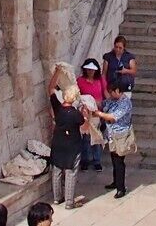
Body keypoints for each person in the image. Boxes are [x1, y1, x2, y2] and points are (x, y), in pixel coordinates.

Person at [45, 64, 87, 208]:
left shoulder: (57, 108)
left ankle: (57, 198)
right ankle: (69, 202)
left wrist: (57, 72)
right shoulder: (76, 114)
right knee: (70, 171)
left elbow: (50, 88)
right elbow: (85, 127)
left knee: (56, 169)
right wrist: (86, 114)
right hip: (72, 145)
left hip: (58, 142)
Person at [98, 76, 135, 199]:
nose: (110, 93)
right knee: (114, 159)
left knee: (119, 161)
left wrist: (99, 114)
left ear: (118, 90)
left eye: (112, 91)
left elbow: (113, 117)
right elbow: (103, 104)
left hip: (121, 135)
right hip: (112, 135)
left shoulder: (125, 103)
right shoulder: (112, 100)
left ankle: (121, 188)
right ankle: (116, 182)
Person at [76, 59, 108, 171]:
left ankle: (97, 160)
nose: (90, 72)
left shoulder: (100, 80)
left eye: (92, 70)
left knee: (96, 137)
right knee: (85, 137)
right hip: (85, 113)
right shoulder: (80, 81)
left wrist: (104, 106)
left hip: (96, 113)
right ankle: (85, 160)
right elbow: (76, 95)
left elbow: (106, 94)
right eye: (88, 70)